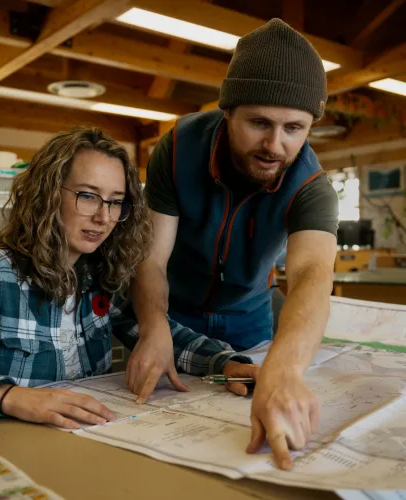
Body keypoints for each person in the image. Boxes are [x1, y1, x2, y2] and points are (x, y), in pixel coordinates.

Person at [0, 127, 259, 428]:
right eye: (88, 196)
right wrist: (6, 395)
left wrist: (225, 364)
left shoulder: (97, 274)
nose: (103, 217)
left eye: (115, 201)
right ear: (47, 195)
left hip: (82, 442)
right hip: (8, 447)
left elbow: (157, 337)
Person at [128, 18, 339, 469]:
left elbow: (310, 275)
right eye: (259, 122)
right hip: (174, 311)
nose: (275, 145)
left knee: (240, 410)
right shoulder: (179, 148)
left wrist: (284, 371)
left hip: (249, 318)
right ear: (228, 112)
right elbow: (151, 256)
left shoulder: (312, 186)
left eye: (294, 128)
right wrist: (153, 325)